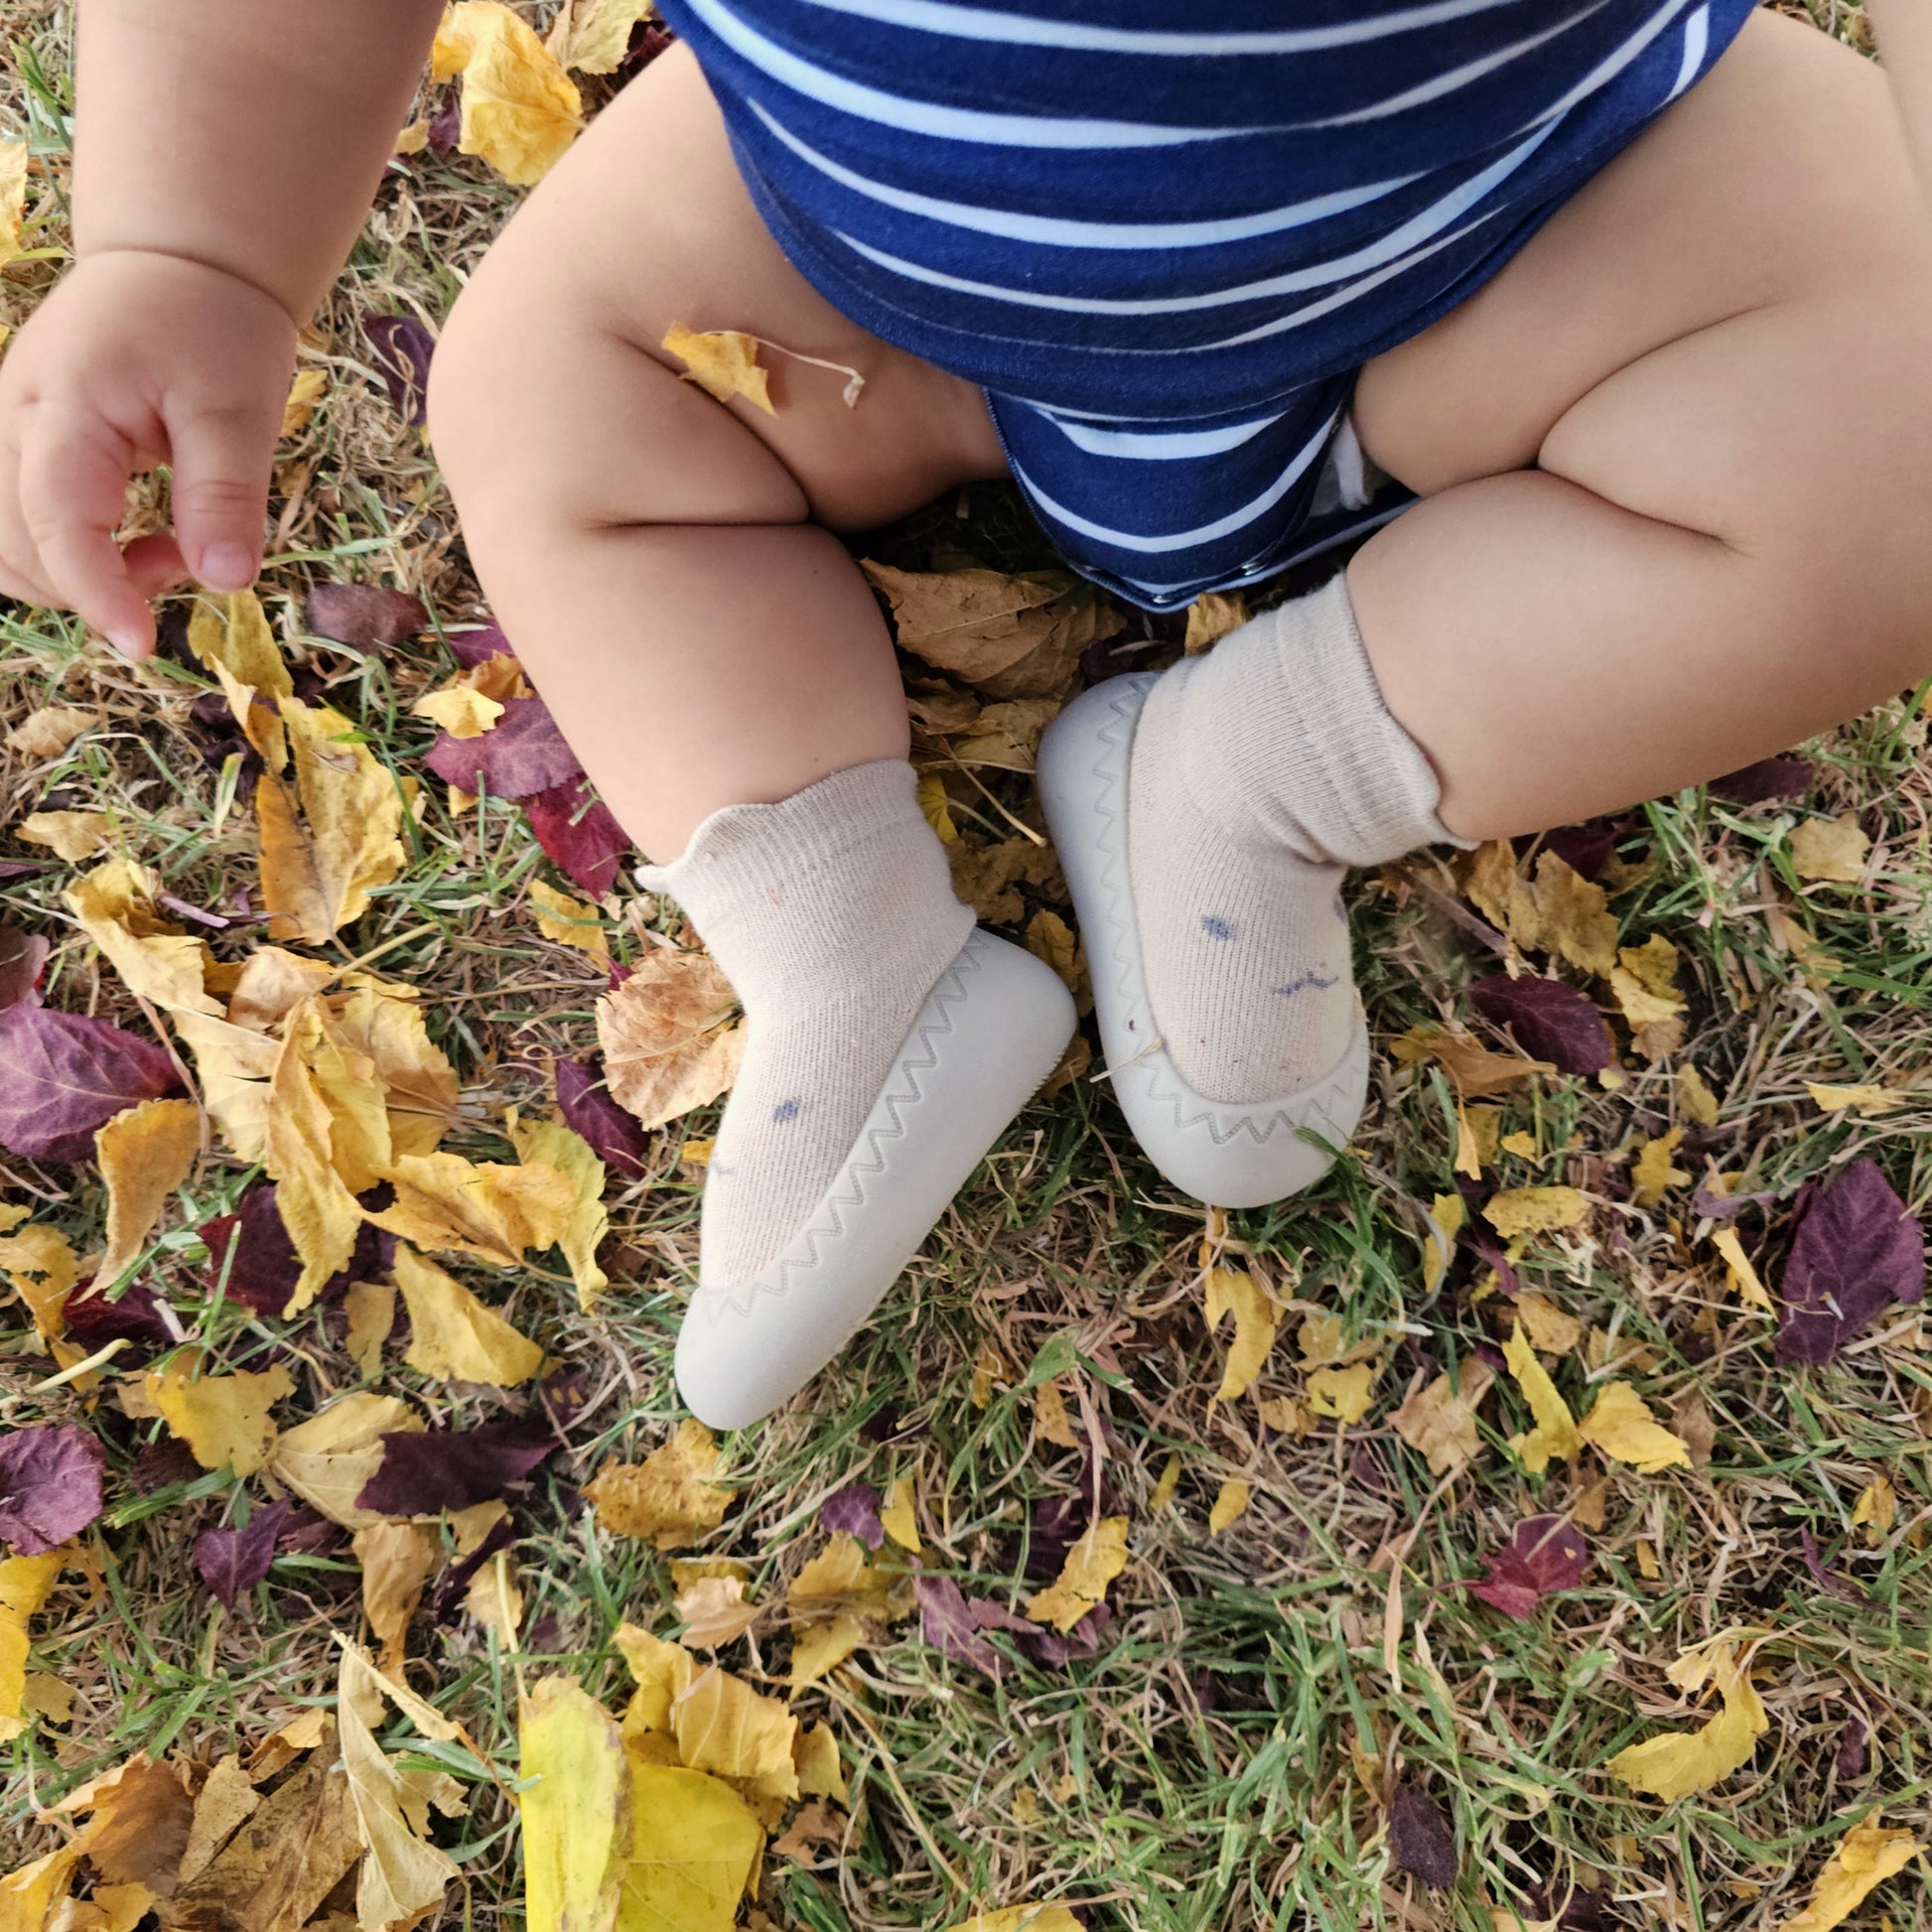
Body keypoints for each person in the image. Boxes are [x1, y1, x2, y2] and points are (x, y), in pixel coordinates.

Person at [10, 0, 1932, 1428]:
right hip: (852, 276)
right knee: (536, 397)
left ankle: (1256, 774)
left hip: (1512, 232)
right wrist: (194, 248)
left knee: (1894, 450)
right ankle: (837, 932)